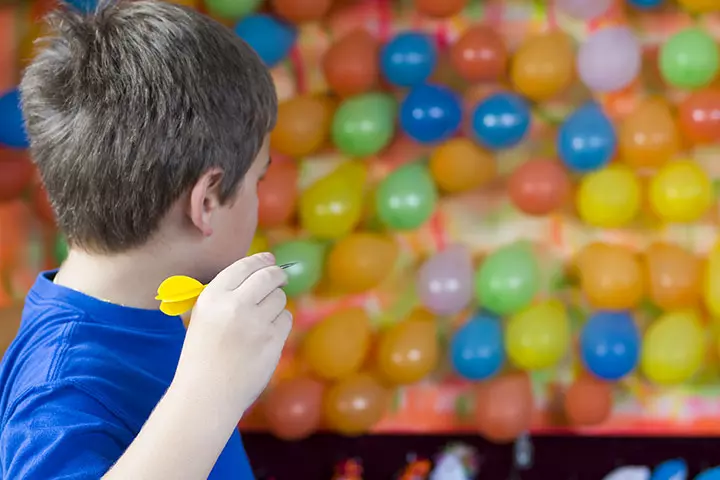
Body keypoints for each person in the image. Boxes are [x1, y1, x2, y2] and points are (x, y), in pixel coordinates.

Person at [0, 0, 291, 478]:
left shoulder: (153, 309)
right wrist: (211, 392)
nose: (260, 199)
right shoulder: (57, 387)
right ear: (207, 202)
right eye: (258, 181)